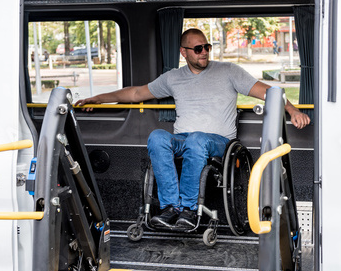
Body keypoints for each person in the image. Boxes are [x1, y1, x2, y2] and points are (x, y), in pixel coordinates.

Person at [75, 28, 310, 230]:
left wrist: (293, 110)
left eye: (207, 46)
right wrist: (98, 99)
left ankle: (188, 209)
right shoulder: (173, 77)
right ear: (184, 52)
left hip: (219, 142)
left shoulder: (229, 71)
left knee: (196, 139)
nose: (205, 52)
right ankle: (170, 208)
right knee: (157, 137)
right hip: (185, 139)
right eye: (198, 49)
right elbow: (136, 93)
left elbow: (268, 91)